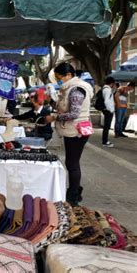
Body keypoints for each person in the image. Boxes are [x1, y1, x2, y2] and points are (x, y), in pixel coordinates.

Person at [45, 63, 93, 206]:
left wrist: (54, 117)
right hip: (73, 129)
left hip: (76, 131)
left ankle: (73, 196)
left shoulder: (76, 90)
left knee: (72, 164)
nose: (59, 81)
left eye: (60, 78)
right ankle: (74, 191)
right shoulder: (68, 89)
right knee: (72, 162)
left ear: (69, 75)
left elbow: (74, 113)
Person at [101, 76, 116, 147]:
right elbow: (107, 101)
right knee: (106, 127)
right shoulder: (107, 90)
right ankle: (105, 142)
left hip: (107, 110)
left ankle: (105, 141)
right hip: (108, 111)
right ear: (112, 83)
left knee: (106, 127)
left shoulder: (105, 89)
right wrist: (110, 110)